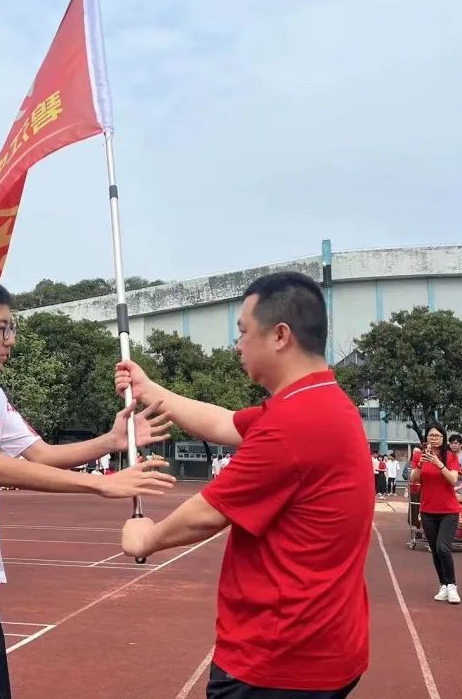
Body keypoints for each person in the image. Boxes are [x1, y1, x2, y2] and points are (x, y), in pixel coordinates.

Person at [0, 276, 175, 699]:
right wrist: (103, 484)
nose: (11, 339)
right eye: (3, 328)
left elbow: (39, 454)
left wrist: (111, 441)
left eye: (12, 328)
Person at [120, 271, 372, 698]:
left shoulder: (293, 424)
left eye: (242, 332)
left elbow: (205, 515)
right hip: (325, 644)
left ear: (279, 336)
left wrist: (145, 539)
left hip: (278, 660)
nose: (237, 344)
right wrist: (149, 390)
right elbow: (221, 421)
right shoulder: (318, 402)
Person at [411, 423, 462, 604]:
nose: (434, 438)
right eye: (431, 435)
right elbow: (413, 479)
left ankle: (452, 586)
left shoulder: (450, 456)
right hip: (427, 510)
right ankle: (443, 584)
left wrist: (438, 463)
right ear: (427, 438)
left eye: (437, 436)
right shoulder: (419, 455)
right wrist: (420, 464)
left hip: (449, 511)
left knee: (443, 547)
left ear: (443, 438)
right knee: (434, 550)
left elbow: (453, 480)